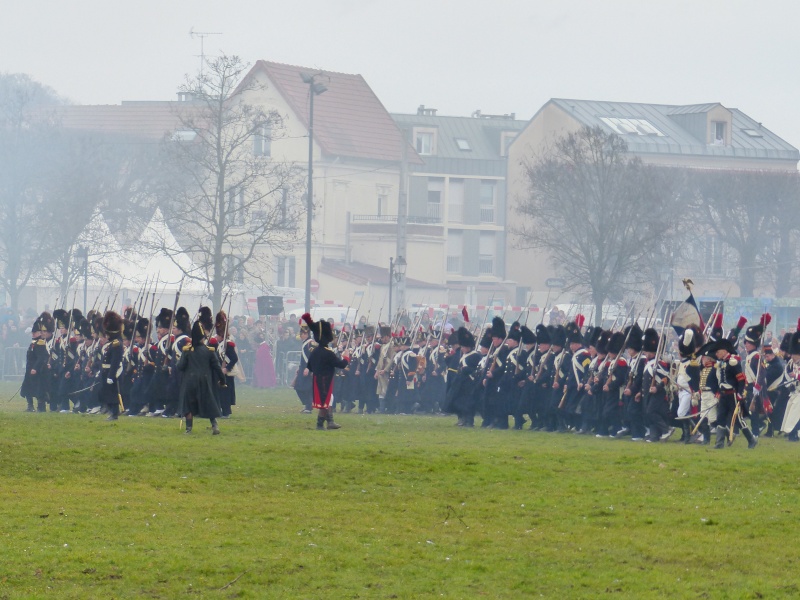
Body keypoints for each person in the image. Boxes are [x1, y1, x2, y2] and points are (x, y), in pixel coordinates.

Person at [301, 313, 350, 430]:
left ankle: (330, 422)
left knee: (328, 400)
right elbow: (341, 364)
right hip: (325, 380)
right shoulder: (328, 353)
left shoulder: (315, 351)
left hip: (318, 379)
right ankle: (320, 424)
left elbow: (310, 365)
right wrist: (347, 357)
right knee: (324, 403)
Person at [177, 319, 225, 435]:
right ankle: (214, 425)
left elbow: (180, 366)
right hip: (205, 381)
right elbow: (217, 367)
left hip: (190, 381)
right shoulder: (209, 351)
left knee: (188, 405)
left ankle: (188, 429)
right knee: (209, 403)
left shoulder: (187, 350)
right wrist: (222, 380)